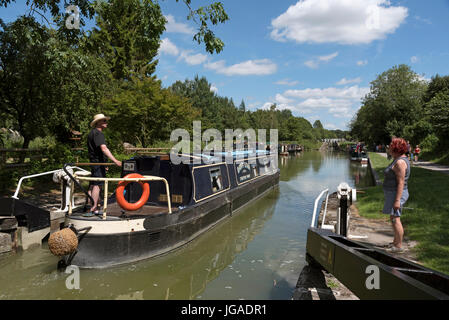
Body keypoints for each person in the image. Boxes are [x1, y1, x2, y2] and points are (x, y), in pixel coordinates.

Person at [86, 113, 122, 216]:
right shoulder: (98, 133)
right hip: (97, 163)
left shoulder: (91, 133)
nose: (106, 123)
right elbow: (103, 148)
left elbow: (97, 150)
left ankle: (92, 207)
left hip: (95, 162)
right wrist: (115, 160)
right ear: (98, 122)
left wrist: (104, 163)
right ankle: (93, 209)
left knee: (93, 184)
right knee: (97, 185)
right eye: (104, 121)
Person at [382, 138, 410, 253]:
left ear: (395, 148)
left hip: (396, 194)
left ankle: (398, 246)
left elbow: (401, 182)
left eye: (390, 146)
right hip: (392, 194)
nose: (388, 148)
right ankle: (395, 242)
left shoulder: (400, 162)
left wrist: (397, 200)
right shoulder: (397, 159)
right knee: (393, 218)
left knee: (395, 219)